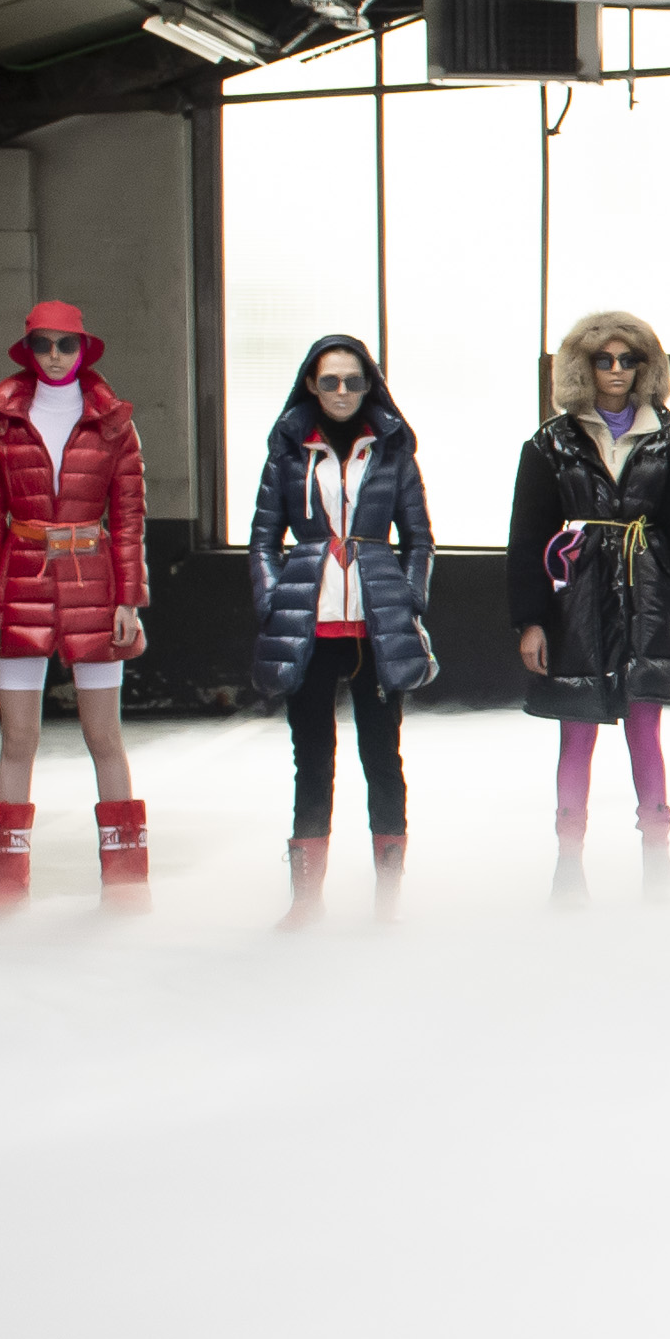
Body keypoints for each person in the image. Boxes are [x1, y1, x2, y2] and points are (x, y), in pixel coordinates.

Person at [509, 309, 670, 904]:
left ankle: (658, 857)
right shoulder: (550, 443)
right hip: (575, 603)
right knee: (576, 730)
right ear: (584, 366)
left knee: (645, 728)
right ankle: (568, 860)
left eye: (629, 359)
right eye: (604, 360)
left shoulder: (667, 444)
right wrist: (531, 621)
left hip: (649, 600)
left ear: (646, 367)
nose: (617, 370)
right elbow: (527, 536)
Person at [0, 299, 150, 915]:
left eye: (65, 344)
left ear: (83, 348)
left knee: (105, 735)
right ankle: (2, 886)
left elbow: (130, 520)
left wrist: (129, 599)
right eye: (42, 344)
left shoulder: (115, 423)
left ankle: (127, 884)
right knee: (18, 738)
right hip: (20, 577)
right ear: (27, 350)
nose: (53, 355)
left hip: (93, 579)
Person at [245, 333, 434, 929]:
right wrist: (273, 600)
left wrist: (409, 598)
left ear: (369, 383)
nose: (343, 391)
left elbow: (420, 539)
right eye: (330, 381)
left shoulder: (392, 448)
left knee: (382, 757)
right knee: (312, 759)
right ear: (311, 384)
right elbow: (262, 538)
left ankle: (388, 901)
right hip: (308, 626)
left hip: (377, 627)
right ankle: (305, 899)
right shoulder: (287, 450)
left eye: (354, 380)